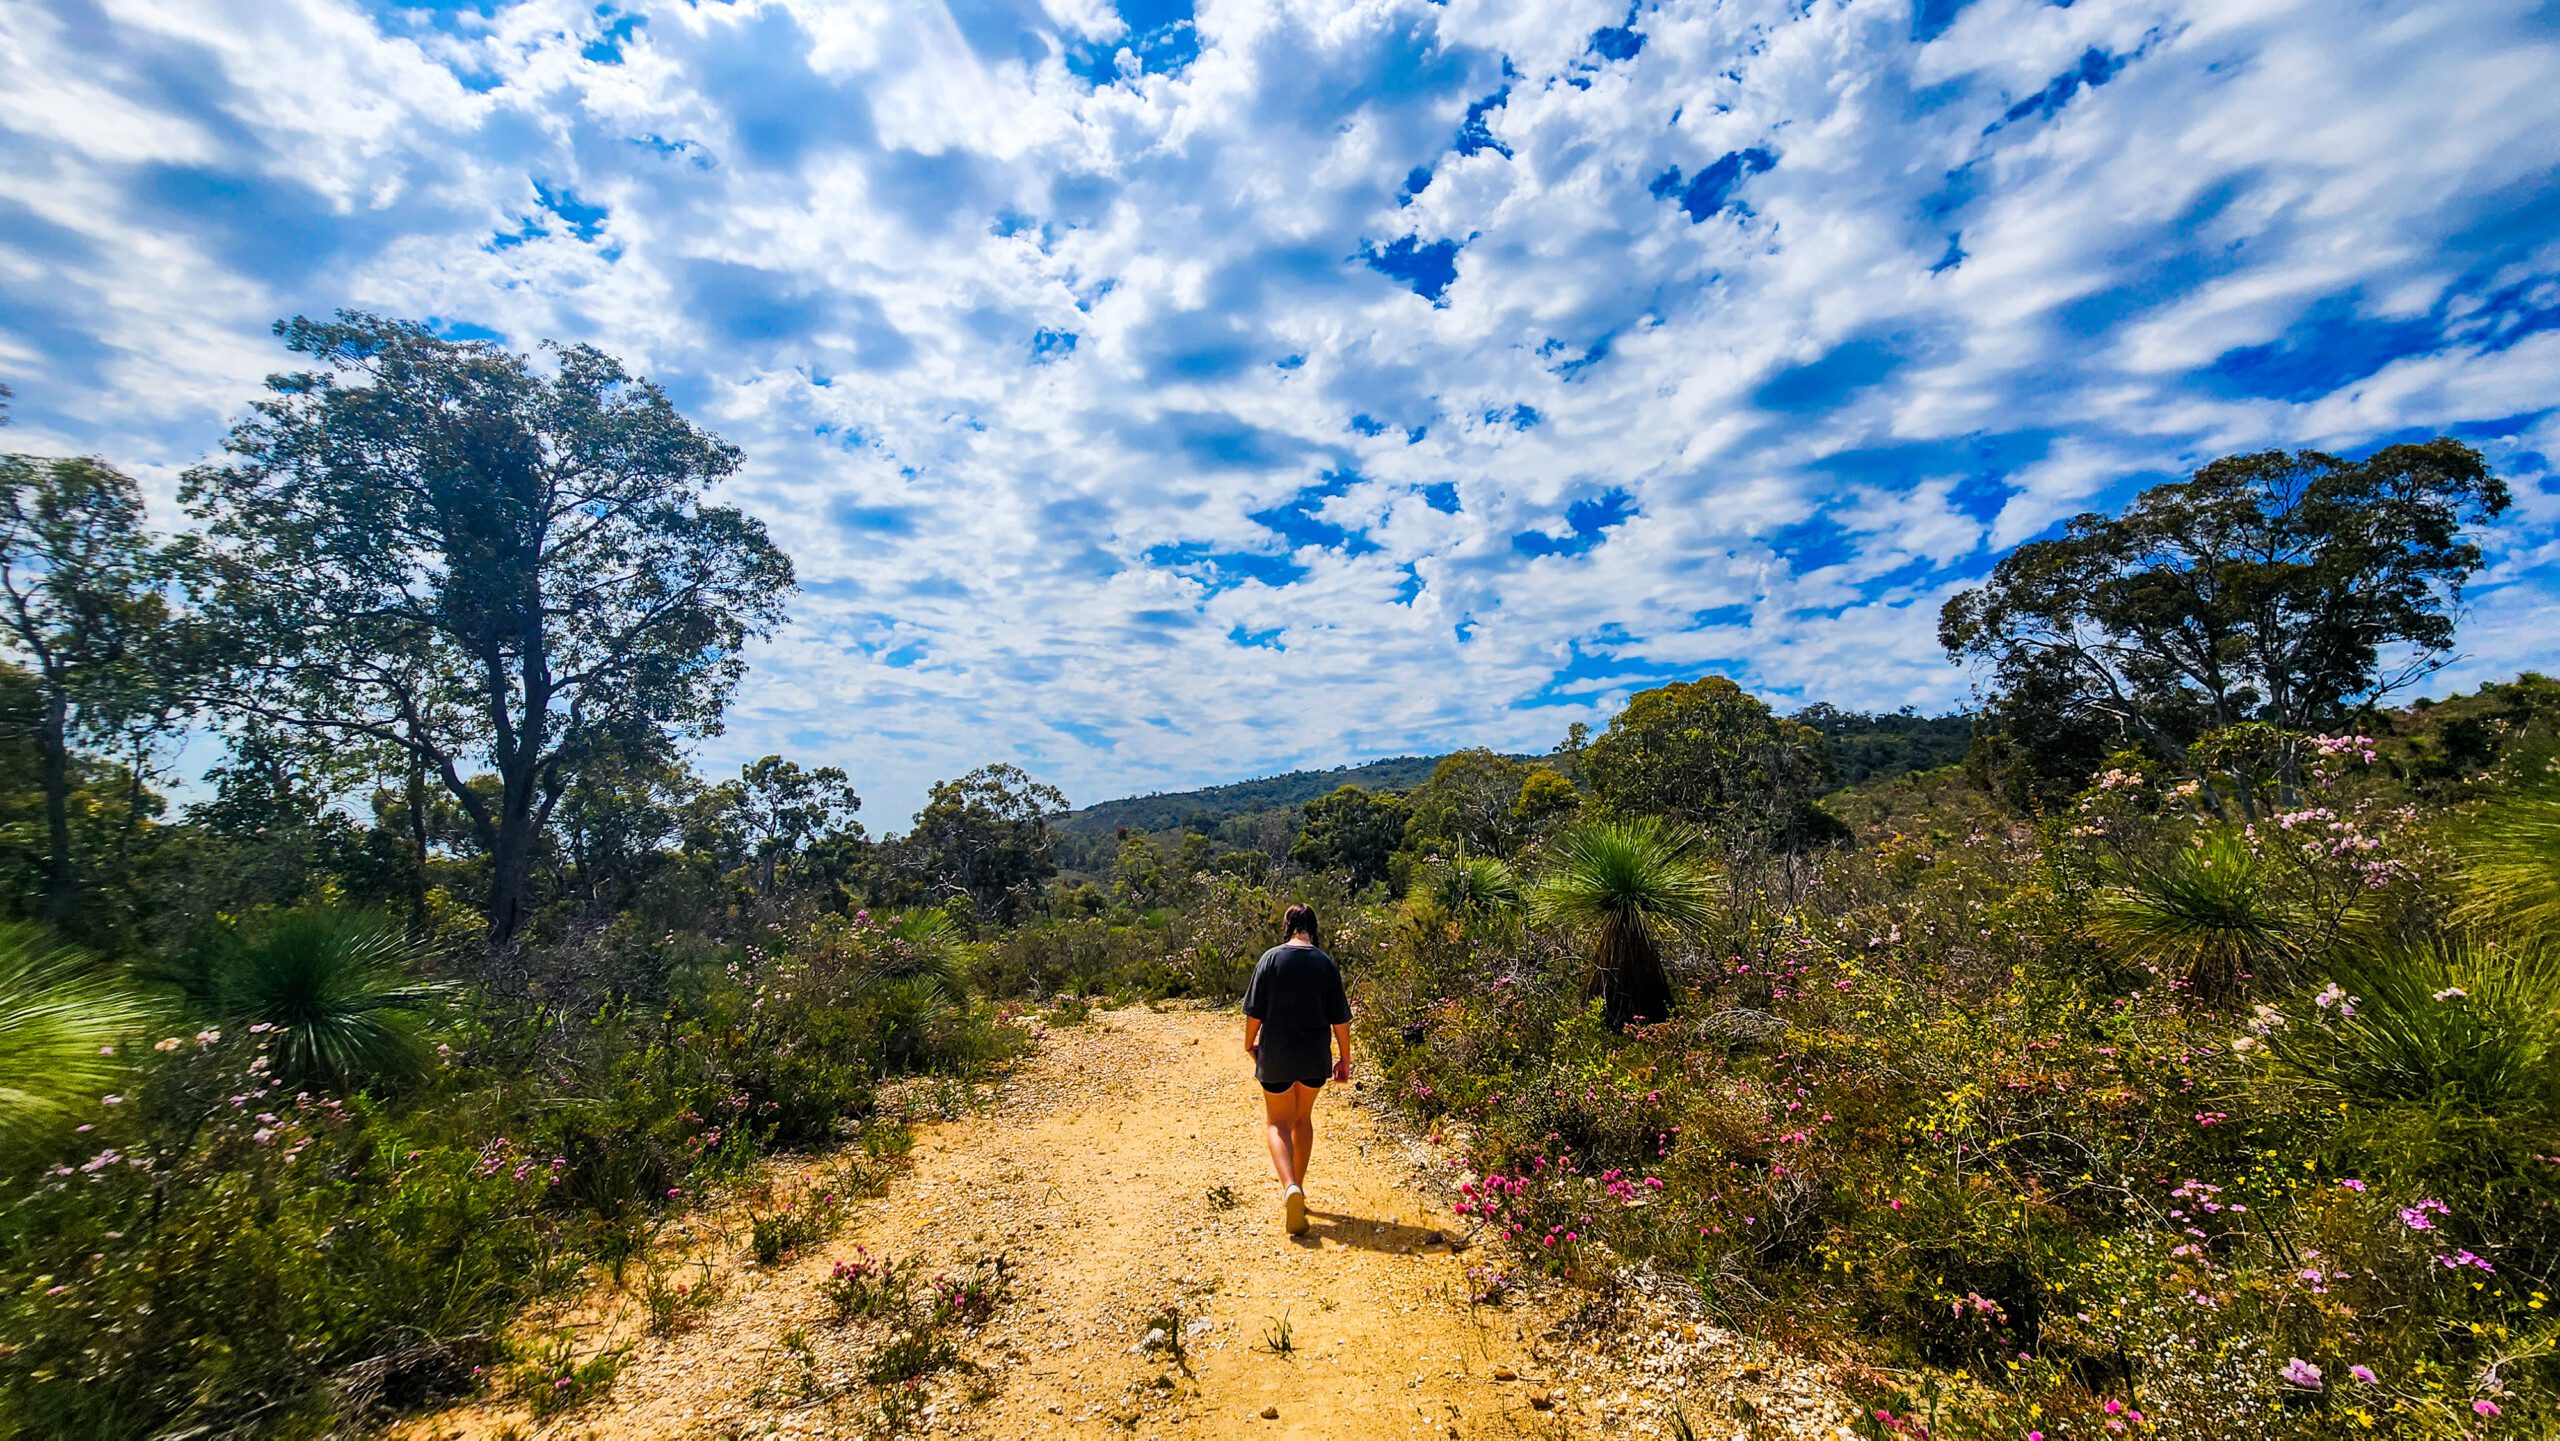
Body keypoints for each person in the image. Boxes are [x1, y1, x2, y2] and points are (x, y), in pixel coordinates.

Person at [1241, 903, 1351, 1235]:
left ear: (1287, 926)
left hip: (1276, 1055)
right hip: (1313, 1057)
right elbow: (1340, 1019)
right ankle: (1298, 1190)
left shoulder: (1270, 959)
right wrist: (1345, 1059)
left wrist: (1249, 1045)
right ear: (1313, 928)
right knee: (1302, 1119)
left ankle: (1289, 1186)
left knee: (1277, 1123)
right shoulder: (1325, 963)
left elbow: (1254, 1013)